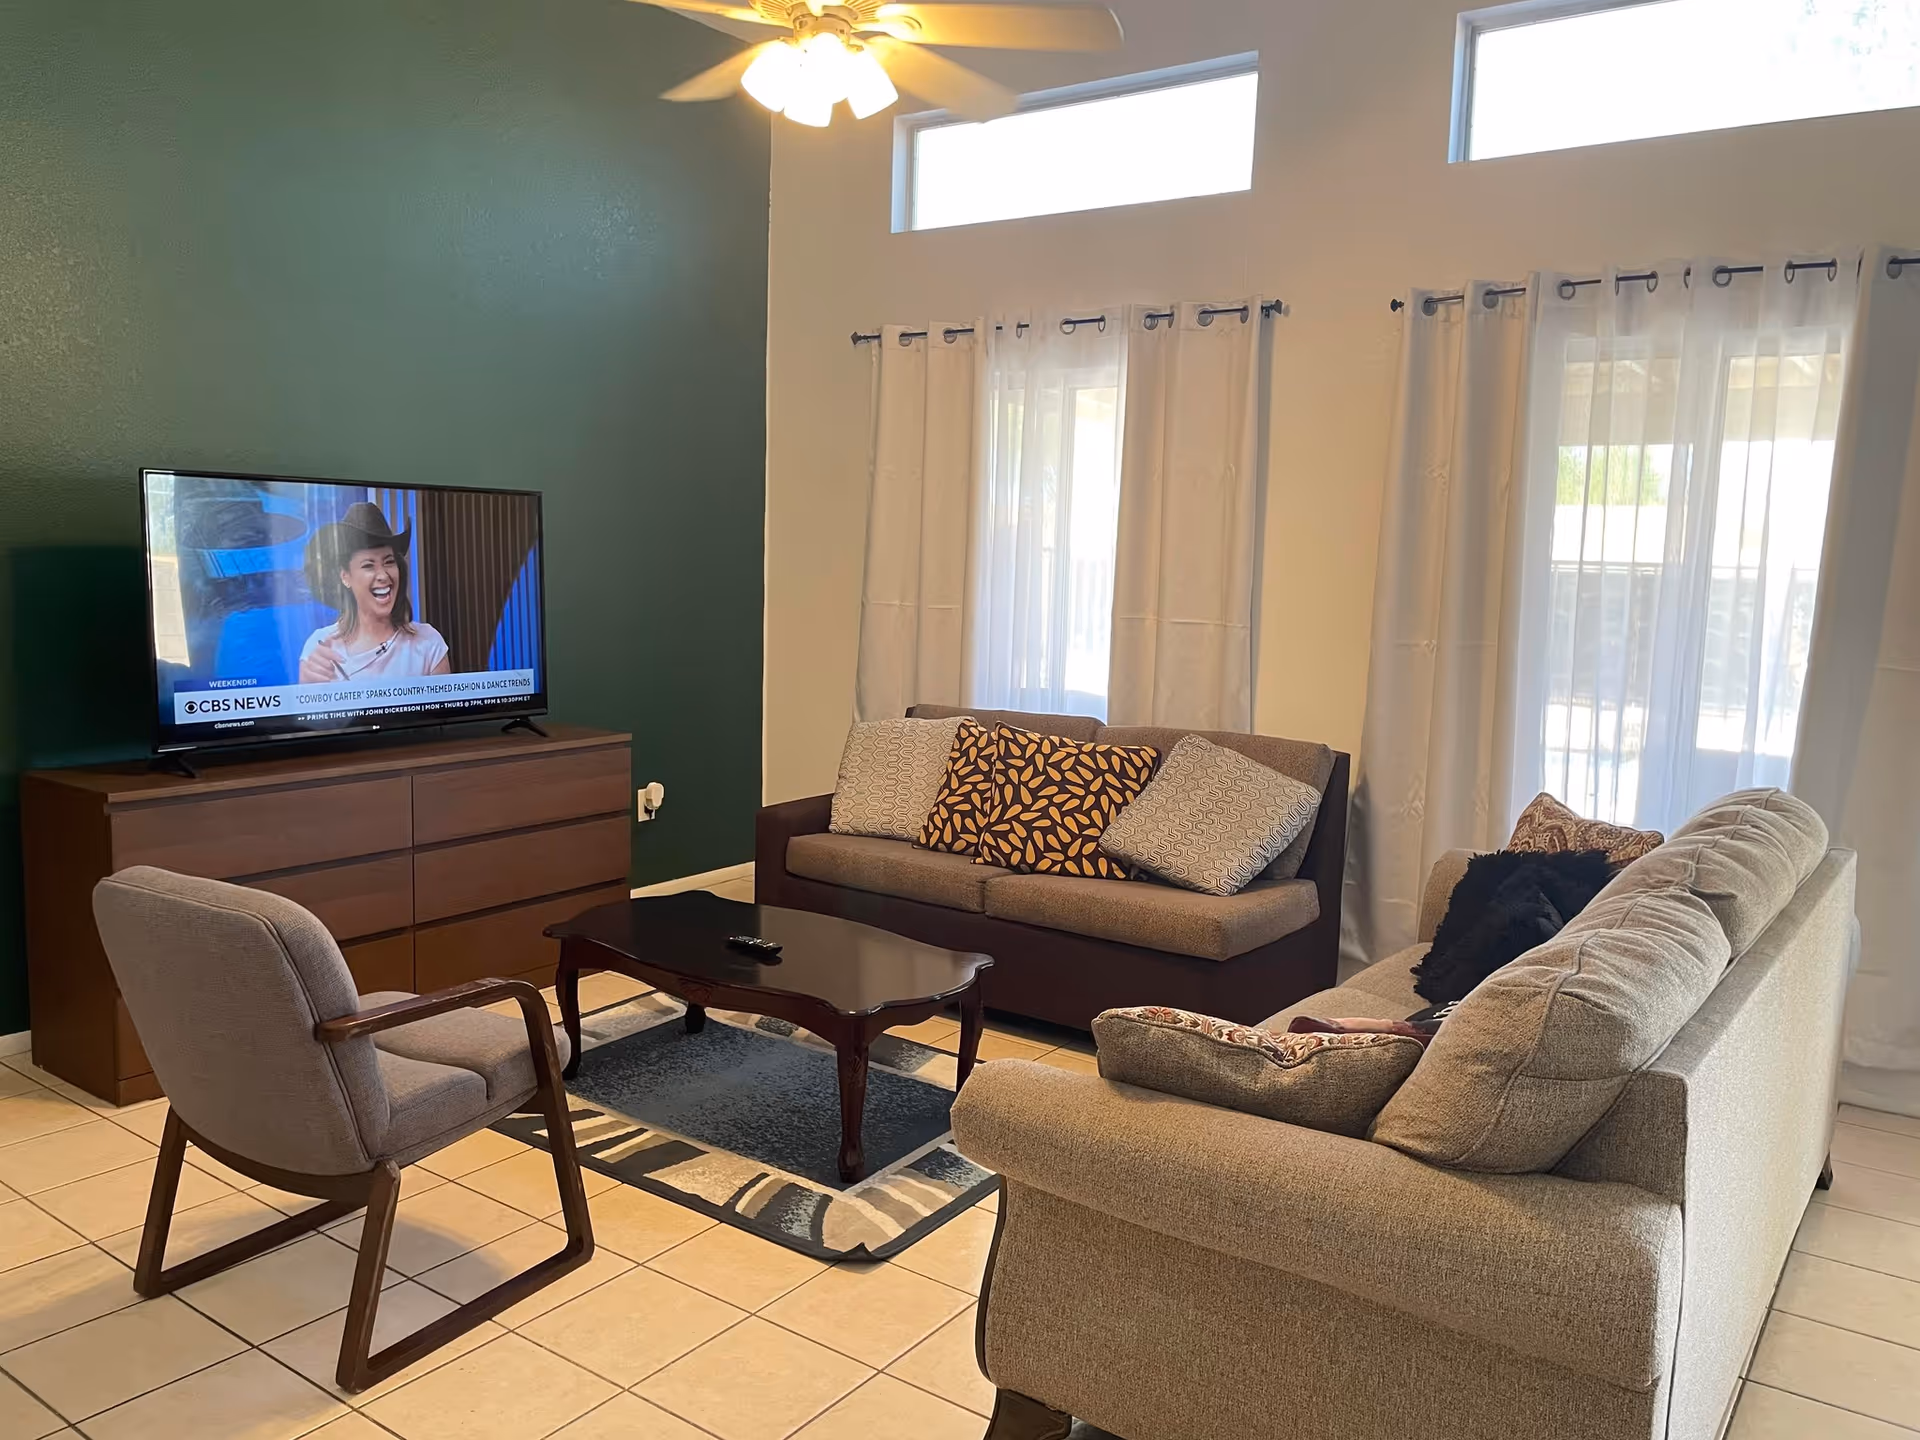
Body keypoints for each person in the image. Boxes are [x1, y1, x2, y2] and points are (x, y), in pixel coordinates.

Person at [298, 502, 451, 683]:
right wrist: (309, 686)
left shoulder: (428, 643)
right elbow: (309, 709)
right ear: (345, 576)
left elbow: (444, 712)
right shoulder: (320, 648)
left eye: (389, 562)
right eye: (368, 565)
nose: (383, 576)